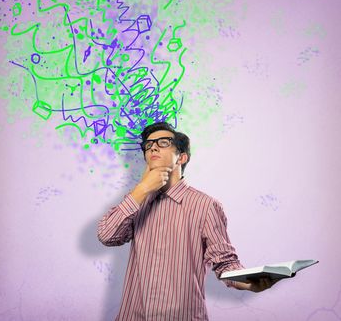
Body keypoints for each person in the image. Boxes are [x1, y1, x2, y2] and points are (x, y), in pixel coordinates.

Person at [97, 122, 278, 320]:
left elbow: (224, 262)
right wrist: (141, 189)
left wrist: (248, 282)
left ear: (181, 157)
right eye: (148, 145)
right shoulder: (136, 200)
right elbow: (107, 236)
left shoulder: (206, 206)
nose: (153, 147)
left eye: (163, 142)